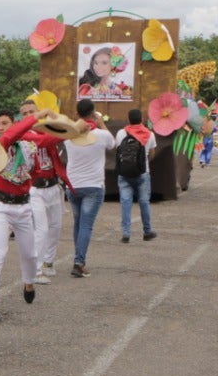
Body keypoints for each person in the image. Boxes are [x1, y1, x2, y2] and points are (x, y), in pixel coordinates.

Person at [0, 110, 58, 322]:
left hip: (23, 206)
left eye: (5, 123)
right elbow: (10, 137)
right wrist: (37, 115)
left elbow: (49, 140)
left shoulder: (28, 144)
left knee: (30, 253)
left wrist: (76, 129)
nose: (1, 127)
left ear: (13, 124)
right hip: (1, 206)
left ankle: (29, 281)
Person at [64, 100, 116, 277]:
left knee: (78, 223)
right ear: (93, 113)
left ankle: (78, 258)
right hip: (93, 186)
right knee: (86, 225)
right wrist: (101, 123)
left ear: (77, 114)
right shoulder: (101, 135)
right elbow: (113, 144)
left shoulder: (69, 136)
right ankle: (79, 262)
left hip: (72, 185)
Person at [22, 99, 70, 283]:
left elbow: (57, 133)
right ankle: (36, 270)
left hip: (52, 185)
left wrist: (55, 120)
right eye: (24, 113)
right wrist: (69, 131)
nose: (28, 116)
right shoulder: (24, 134)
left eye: (31, 111)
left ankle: (48, 262)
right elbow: (44, 141)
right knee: (41, 228)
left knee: (56, 226)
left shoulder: (47, 128)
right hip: (35, 188)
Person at [114, 108, 157, 242]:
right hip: (143, 173)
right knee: (144, 202)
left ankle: (126, 234)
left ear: (128, 119)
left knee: (126, 203)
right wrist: (144, 162)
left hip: (124, 173)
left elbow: (118, 150)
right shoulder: (149, 134)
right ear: (142, 119)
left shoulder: (121, 133)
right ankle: (147, 231)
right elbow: (152, 153)